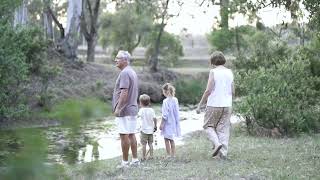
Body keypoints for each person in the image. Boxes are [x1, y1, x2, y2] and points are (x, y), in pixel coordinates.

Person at [196, 51, 235, 159]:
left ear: (212, 61)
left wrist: (200, 105)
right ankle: (222, 154)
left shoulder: (213, 72)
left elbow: (208, 90)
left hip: (214, 104)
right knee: (223, 129)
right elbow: (233, 90)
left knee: (208, 126)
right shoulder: (230, 72)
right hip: (227, 105)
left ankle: (217, 144)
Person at [112, 50, 140, 168]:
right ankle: (135, 160)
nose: (115, 60)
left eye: (118, 58)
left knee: (124, 135)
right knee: (131, 134)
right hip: (133, 108)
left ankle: (124, 163)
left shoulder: (124, 73)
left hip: (125, 110)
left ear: (124, 60)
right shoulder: (132, 72)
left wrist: (118, 108)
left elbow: (124, 92)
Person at [160, 83, 181, 158]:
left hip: (167, 123)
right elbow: (177, 112)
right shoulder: (175, 100)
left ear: (166, 91)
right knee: (172, 139)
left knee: (166, 139)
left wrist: (162, 123)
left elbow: (165, 114)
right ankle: (173, 154)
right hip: (174, 122)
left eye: (163, 91)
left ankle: (168, 155)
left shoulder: (165, 101)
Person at [137, 94, 157, 161]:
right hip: (151, 130)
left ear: (141, 103)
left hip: (143, 130)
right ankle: (151, 156)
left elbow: (137, 117)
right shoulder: (151, 110)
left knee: (143, 144)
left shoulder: (141, 110)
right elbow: (154, 118)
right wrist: (155, 126)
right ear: (149, 102)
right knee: (150, 144)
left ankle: (144, 157)